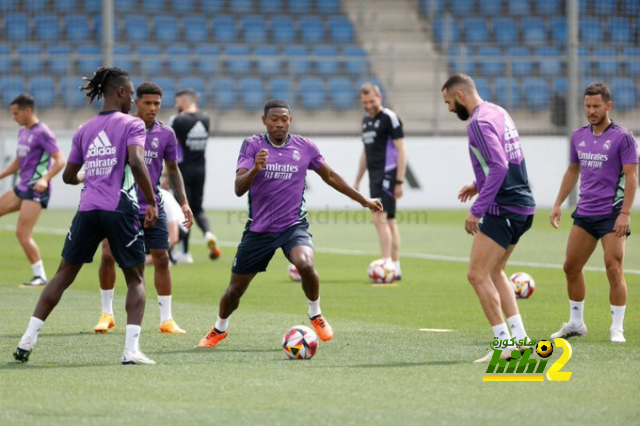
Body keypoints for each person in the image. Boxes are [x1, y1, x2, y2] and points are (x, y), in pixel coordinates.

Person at [197, 100, 382, 348]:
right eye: (274, 119)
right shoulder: (252, 145)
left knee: (305, 263)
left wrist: (363, 200)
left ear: (290, 120)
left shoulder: (304, 147)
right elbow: (239, 188)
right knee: (235, 290)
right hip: (258, 230)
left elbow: (330, 176)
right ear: (264, 121)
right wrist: (255, 169)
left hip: (293, 226)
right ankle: (219, 329)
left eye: (284, 119)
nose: (279, 124)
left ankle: (315, 313)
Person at [14, 67, 159, 365]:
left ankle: (27, 339)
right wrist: (152, 200)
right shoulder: (132, 124)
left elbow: (68, 176)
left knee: (63, 274)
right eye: (130, 93)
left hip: (87, 209)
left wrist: (89, 173)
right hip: (119, 207)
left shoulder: (84, 129)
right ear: (119, 92)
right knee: (135, 278)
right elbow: (135, 161)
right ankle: (131, 350)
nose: (132, 99)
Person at [441, 74, 536, 363]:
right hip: (523, 206)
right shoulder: (498, 111)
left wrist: (477, 209)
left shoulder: (478, 123)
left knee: (476, 274)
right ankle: (519, 339)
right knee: (496, 272)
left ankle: (503, 343)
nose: (448, 109)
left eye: (448, 102)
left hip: (503, 208)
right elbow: (506, 159)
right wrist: (477, 182)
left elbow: (498, 165)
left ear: (460, 96)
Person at [94, 82, 194, 335]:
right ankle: (106, 314)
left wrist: (183, 203)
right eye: (147, 103)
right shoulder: (120, 128)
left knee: (161, 257)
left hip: (153, 206)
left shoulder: (167, 134)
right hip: (119, 205)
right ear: (136, 102)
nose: (152, 108)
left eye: (157, 104)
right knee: (107, 255)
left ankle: (166, 319)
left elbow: (173, 170)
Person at [550, 82, 638, 344]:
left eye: (596, 106)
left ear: (608, 106)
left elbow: (632, 176)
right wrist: (557, 204)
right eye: (587, 106)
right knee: (571, 267)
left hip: (612, 214)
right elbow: (572, 171)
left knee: (613, 267)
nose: (591, 111)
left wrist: (625, 213)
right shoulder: (578, 136)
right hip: (585, 213)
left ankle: (617, 328)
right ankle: (576, 323)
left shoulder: (623, 137)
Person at [0, 94, 66, 286]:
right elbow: (18, 163)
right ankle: (40, 276)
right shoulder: (23, 131)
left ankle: (40, 276)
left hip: (37, 188)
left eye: (15, 113)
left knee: (22, 232)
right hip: (22, 187)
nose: (14, 117)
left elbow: (60, 159)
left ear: (27, 110)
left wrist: (45, 179)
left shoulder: (42, 132)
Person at [354, 83, 407, 279]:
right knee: (389, 221)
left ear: (380, 97)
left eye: (371, 101)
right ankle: (395, 266)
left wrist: (399, 181)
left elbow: (401, 150)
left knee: (379, 218)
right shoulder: (366, 121)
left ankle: (386, 263)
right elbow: (365, 153)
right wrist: (357, 180)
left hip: (388, 175)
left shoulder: (389, 118)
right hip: (374, 177)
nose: (368, 105)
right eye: (364, 102)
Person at [169, 89, 220, 263]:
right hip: (201, 169)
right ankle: (208, 233)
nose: (176, 105)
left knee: (183, 209)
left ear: (183, 100)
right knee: (197, 208)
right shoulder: (205, 118)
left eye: (177, 101)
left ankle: (184, 253)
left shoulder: (177, 120)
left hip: (182, 171)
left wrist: (165, 175)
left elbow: (171, 147)